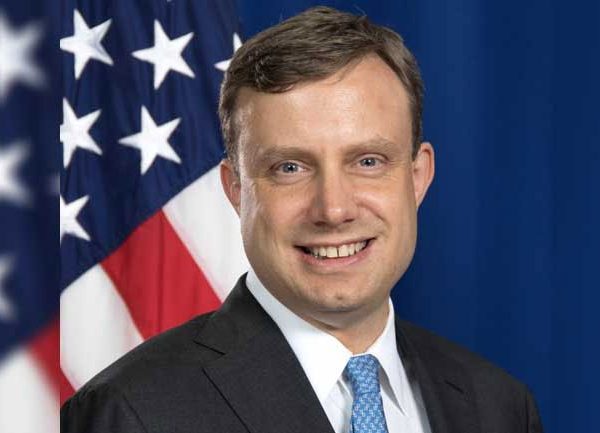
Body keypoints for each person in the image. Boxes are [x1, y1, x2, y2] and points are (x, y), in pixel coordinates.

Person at [61, 6, 543, 433]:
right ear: (236, 189)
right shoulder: (131, 414)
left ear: (417, 177)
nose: (333, 210)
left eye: (368, 161)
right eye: (289, 168)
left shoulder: (498, 407)